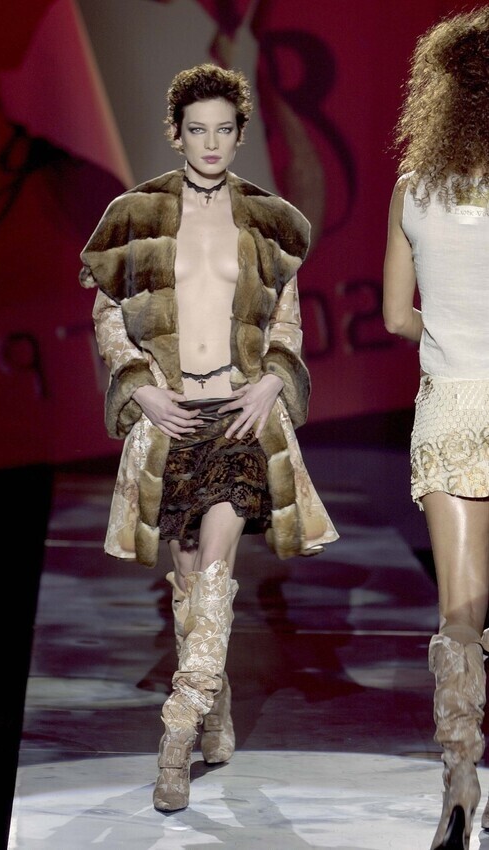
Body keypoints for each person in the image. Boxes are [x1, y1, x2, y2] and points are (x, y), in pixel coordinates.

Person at [79, 63, 338, 813]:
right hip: (171, 421)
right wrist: (142, 389)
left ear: (240, 133)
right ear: (176, 133)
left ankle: (176, 735)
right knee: (190, 578)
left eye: (225, 129)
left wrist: (271, 381)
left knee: (217, 568)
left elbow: (286, 320)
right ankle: (215, 708)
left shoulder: (269, 221)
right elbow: (107, 314)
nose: (212, 143)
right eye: (198, 130)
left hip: (239, 416)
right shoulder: (134, 215)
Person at [382, 9, 488, 849]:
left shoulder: (412, 190)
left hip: (451, 408)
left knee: (460, 616)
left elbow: (394, 316)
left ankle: (459, 784)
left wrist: (449, 332)